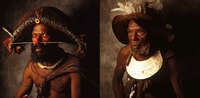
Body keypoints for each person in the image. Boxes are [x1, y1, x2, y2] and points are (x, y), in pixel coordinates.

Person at [3, 7, 85, 98]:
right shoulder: (31, 68)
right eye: (34, 35)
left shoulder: (72, 65)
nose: (37, 41)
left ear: (55, 38)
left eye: (44, 35)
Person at [112, 13, 184, 98]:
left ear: (150, 33)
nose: (133, 38)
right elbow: (116, 81)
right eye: (130, 31)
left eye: (140, 31)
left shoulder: (166, 55)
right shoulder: (125, 53)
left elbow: (179, 92)